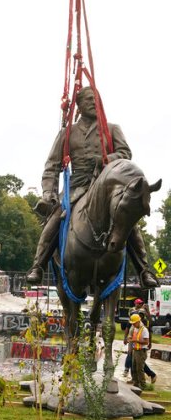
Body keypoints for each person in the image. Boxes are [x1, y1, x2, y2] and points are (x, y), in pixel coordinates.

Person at [26, 87, 158, 289]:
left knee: (128, 220)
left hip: (106, 186)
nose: (94, 103)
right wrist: (48, 194)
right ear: (79, 105)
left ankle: (144, 269)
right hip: (77, 186)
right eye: (89, 99)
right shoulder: (67, 133)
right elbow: (52, 166)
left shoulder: (112, 128)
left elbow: (125, 153)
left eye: (96, 99)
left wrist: (105, 159)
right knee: (54, 219)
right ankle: (38, 265)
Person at [122, 299, 157, 383]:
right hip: (133, 342)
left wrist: (150, 342)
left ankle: (149, 375)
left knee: (138, 362)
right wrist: (126, 338)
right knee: (134, 361)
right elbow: (127, 327)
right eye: (139, 303)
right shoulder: (133, 316)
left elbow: (149, 329)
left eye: (141, 303)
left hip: (139, 344)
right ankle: (134, 378)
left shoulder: (144, 322)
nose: (141, 315)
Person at [126, 313, 150, 388]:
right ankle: (135, 383)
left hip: (141, 351)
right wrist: (130, 339)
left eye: (134, 323)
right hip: (135, 350)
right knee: (134, 368)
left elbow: (146, 342)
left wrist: (135, 341)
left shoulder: (144, 330)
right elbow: (133, 338)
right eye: (132, 323)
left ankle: (143, 385)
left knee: (139, 369)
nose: (133, 324)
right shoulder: (135, 328)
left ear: (138, 321)